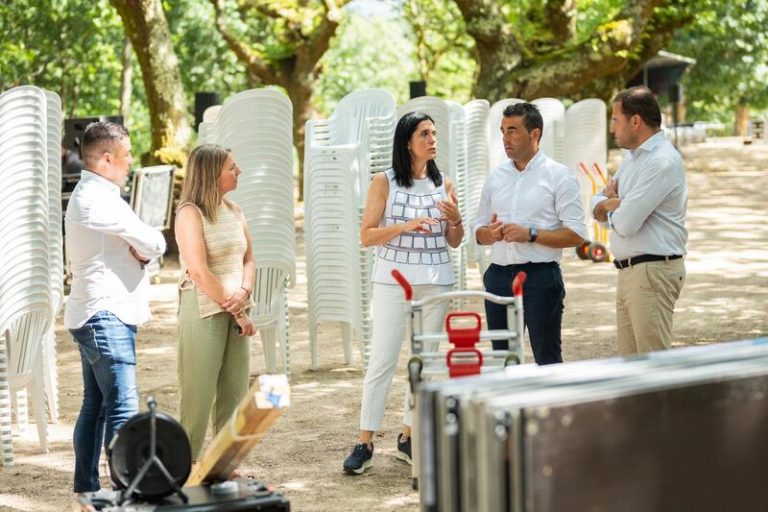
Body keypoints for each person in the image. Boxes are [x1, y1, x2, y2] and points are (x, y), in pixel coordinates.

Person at [342, 112, 463, 475]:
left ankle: (408, 437)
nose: (432, 139)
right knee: (382, 359)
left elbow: (454, 241)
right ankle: (364, 441)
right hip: (393, 280)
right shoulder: (385, 181)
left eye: (434, 133)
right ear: (407, 141)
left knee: (423, 362)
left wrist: (456, 219)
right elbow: (366, 235)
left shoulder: (445, 184)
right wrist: (408, 225)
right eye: (424, 134)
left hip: (437, 279)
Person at [65, 121, 167, 493]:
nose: (130, 164)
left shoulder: (97, 195)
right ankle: (128, 491)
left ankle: (88, 492)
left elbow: (145, 246)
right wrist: (143, 247)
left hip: (99, 312)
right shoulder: (97, 199)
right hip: (104, 315)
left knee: (97, 406)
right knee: (122, 406)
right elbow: (155, 242)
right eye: (125, 156)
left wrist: (140, 248)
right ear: (107, 159)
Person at [474, 102, 585, 365]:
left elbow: (576, 235)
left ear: (535, 134)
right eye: (502, 131)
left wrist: (531, 234)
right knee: (502, 362)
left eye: (512, 131)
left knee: (546, 361)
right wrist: (489, 234)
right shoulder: (496, 177)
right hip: (498, 277)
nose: (505, 138)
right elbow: (477, 230)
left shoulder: (559, 176)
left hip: (540, 278)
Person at [591, 87, 687, 356]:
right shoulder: (632, 158)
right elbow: (596, 202)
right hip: (631, 273)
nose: (612, 129)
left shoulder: (661, 162)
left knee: (654, 371)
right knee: (631, 371)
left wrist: (611, 206)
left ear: (635, 121)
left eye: (615, 120)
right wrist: (611, 204)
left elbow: (627, 224)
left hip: (652, 272)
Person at [175, 143, 256, 460]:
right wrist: (236, 307)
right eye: (232, 167)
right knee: (198, 394)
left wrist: (245, 293)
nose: (239, 171)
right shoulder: (189, 213)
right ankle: (186, 467)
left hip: (237, 310)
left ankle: (226, 466)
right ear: (211, 174)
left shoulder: (235, 211)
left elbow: (250, 259)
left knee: (234, 393)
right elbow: (198, 270)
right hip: (204, 310)